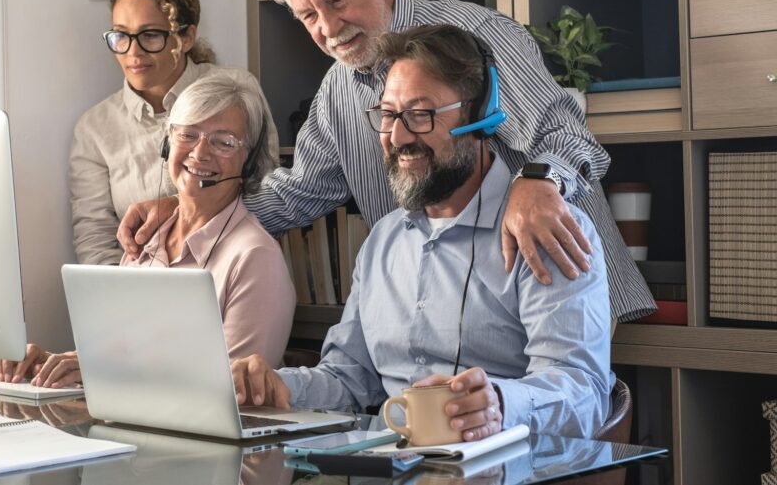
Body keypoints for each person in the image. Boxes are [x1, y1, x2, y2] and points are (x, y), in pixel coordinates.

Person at [119, 0, 653, 323]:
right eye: (308, 14)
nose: (328, 27)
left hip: (558, 285)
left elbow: (569, 136)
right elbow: (296, 195)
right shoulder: (335, 93)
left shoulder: (478, 37)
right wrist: (188, 210)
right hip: (452, 312)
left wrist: (538, 182)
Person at [230, 25, 613, 440]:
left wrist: (499, 404)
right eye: (389, 115)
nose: (396, 137)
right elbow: (350, 379)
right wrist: (279, 386)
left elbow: (583, 390)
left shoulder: (546, 229)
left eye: (419, 114)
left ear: (480, 117)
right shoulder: (383, 239)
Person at [0, 74, 296, 386]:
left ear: (249, 162)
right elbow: (118, 353)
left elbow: (232, 393)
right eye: (188, 135)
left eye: (224, 142)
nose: (199, 153)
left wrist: (100, 370)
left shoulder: (255, 258)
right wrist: (54, 365)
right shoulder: (147, 241)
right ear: (168, 143)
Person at [70, 0, 277, 266]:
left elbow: (268, 192)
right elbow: (95, 243)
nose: (133, 53)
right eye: (121, 36)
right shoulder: (95, 129)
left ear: (187, 37)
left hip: (232, 270)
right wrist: (119, 302)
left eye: (150, 36)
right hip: (139, 294)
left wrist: (177, 207)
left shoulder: (236, 92)